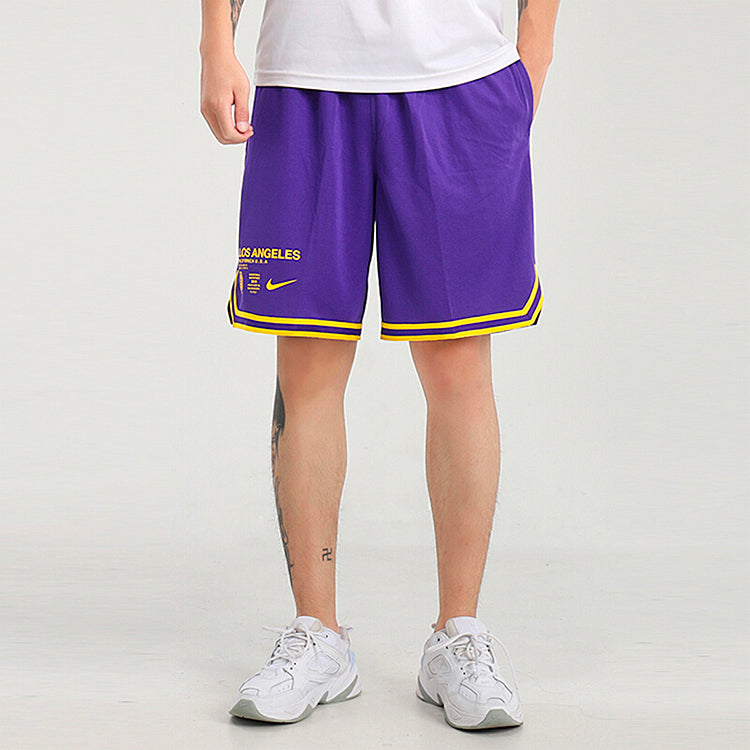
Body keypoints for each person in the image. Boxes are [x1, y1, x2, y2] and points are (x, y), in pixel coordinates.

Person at [200, 0, 559, 731]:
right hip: (304, 78)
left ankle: (458, 634)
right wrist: (215, 40)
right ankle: (317, 635)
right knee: (306, 364)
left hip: (459, 77)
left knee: (458, 366)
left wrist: (535, 53)